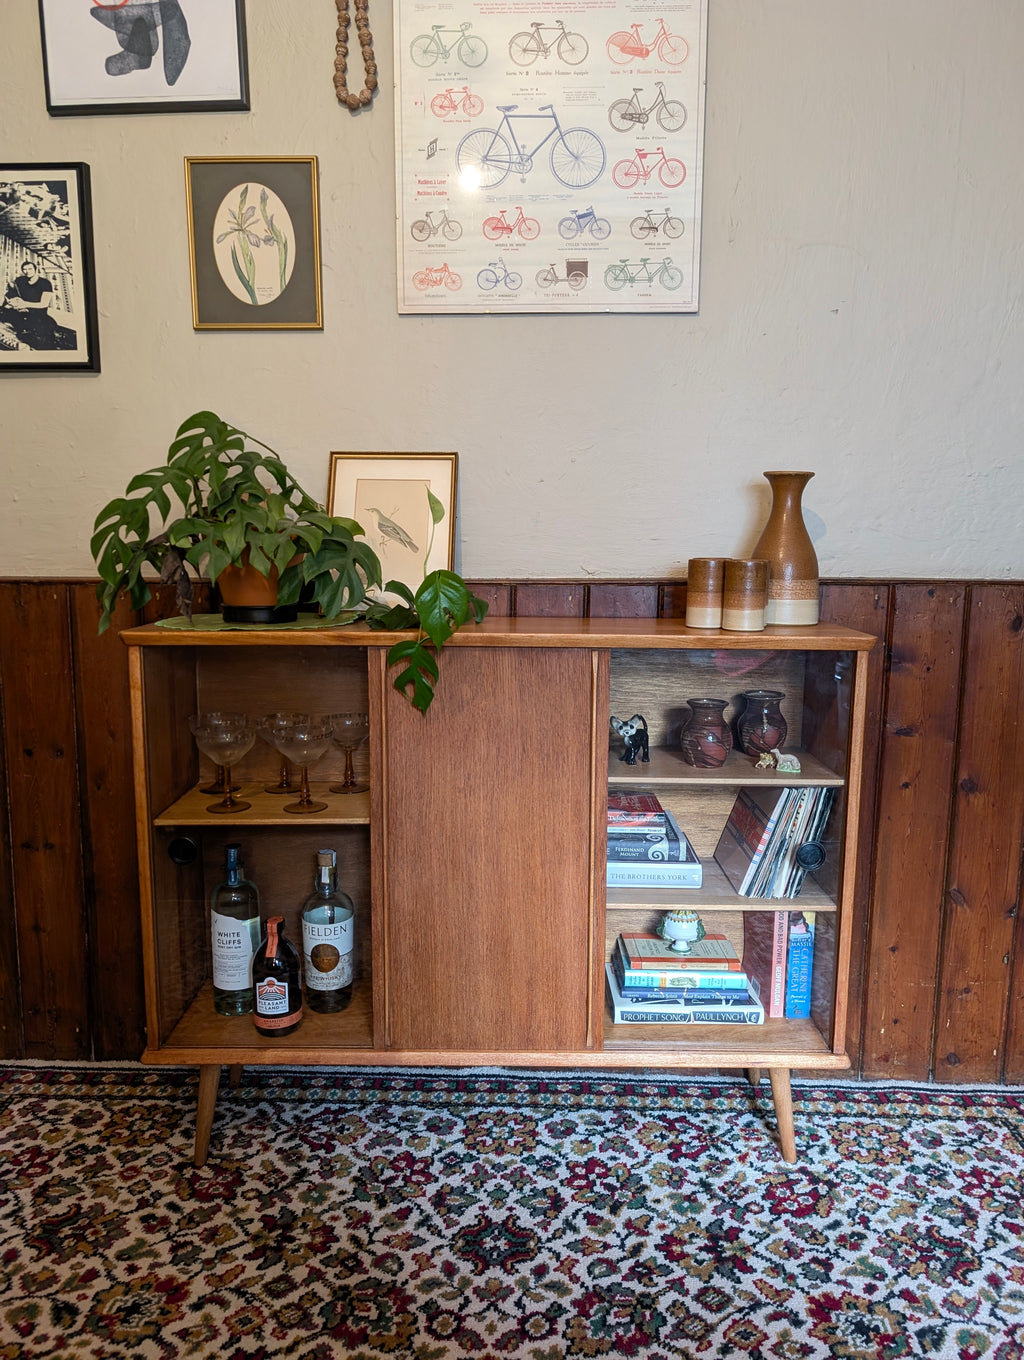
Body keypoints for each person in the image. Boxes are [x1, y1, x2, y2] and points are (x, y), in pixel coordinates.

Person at [0, 260, 76, 351]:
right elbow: (12, 294)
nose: (27, 271)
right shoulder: (21, 281)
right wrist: (12, 302)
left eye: (30, 269)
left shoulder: (45, 283)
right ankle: (11, 340)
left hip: (38, 313)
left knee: (40, 338)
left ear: (35, 270)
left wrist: (24, 304)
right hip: (21, 311)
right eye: (24, 269)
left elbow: (43, 304)